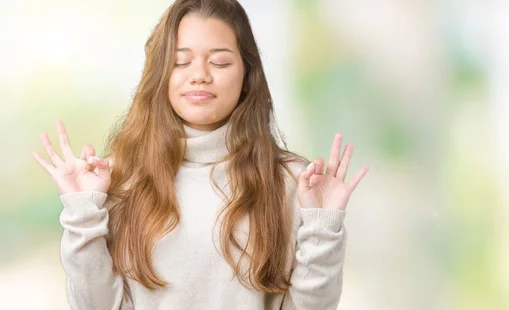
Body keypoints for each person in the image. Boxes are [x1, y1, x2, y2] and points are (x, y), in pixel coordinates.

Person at [32, 0, 369, 309]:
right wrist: (82, 212)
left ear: (248, 76)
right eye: (180, 61)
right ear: (160, 74)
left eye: (220, 61)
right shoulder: (117, 179)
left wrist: (323, 226)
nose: (200, 75)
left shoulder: (294, 182)